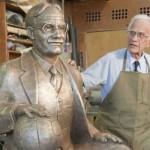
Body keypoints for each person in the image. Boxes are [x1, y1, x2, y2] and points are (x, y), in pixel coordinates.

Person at [0, 2, 130, 150]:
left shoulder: (74, 74)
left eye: (62, 28)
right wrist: (16, 110)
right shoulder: (10, 71)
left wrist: (95, 133)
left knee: (120, 148)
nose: (58, 34)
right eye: (48, 27)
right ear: (30, 33)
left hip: (70, 146)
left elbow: (79, 119)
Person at [69, 14, 150, 150]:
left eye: (141, 35)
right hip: (112, 138)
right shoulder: (111, 60)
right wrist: (71, 72)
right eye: (131, 33)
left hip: (144, 140)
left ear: (149, 41)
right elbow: (80, 83)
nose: (134, 39)